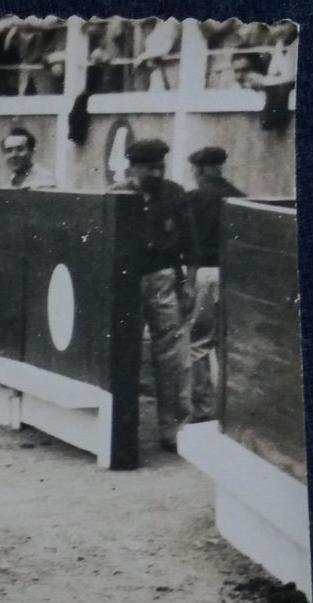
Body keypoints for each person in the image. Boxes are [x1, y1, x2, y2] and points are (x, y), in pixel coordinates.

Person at [109, 138, 198, 453]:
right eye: (150, 167)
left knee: (172, 353)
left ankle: (173, 428)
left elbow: (190, 241)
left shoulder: (174, 194)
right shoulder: (117, 195)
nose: (157, 172)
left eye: (161, 166)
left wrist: (188, 283)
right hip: (126, 281)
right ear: (132, 167)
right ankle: (121, 428)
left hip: (162, 276)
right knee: (124, 352)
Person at [185, 146, 245, 423]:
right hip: (234, 277)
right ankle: (232, 408)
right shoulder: (239, 197)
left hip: (205, 274)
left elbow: (190, 246)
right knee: (228, 343)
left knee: (198, 343)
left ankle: (204, 409)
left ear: (201, 169)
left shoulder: (194, 198)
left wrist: (188, 280)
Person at [0, 126, 58, 194]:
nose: (14, 155)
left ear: (32, 151)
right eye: (9, 150)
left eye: (20, 149)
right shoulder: (9, 177)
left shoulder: (45, 179)